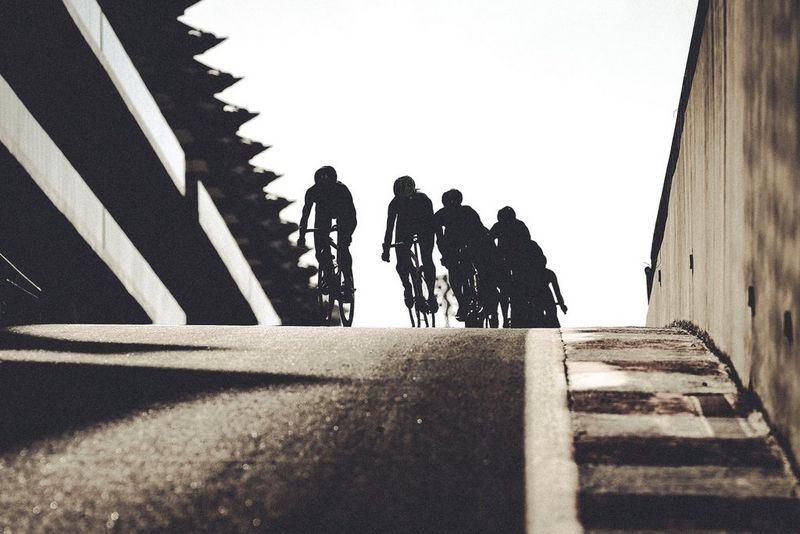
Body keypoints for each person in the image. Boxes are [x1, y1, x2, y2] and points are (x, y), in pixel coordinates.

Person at [434, 189, 500, 325]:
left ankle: (488, 301)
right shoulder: (442, 215)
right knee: (454, 271)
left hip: (476, 242)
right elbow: (439, 239)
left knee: (483, 271)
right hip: (455, 245)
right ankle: (463, 303)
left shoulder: (467, 212)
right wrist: (445, 255)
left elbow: (480, 234)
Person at [297, 166, 357, 298]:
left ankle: (347, 283)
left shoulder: (342, 190)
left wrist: (347, 234)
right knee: (320, 250)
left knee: (343, 247)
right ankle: (327, 268)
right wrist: (302, 235)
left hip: (343, 214)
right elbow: (305, 214)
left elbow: (352, 215)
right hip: (324, 215)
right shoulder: (313, 191)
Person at [381, 176, 438, 311]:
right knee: (401, 263)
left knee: (427, 259)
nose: (402, 200)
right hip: (404, 230)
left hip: (424, 228)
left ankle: (431, 295)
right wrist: (386, 248)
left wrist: (436, 240)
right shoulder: (394, 203)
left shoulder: (423, 200)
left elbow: (432, 222)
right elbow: (390, 226)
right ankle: (407, 286)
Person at [489, 206, 532, 327]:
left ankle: (507, 317)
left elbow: (489, 239)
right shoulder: (518, 225)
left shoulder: (501, 225)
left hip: (510, 261)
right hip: (511, 261)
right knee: (510, 291)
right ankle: (508, 317)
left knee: (506, 291)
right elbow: (528, 243)